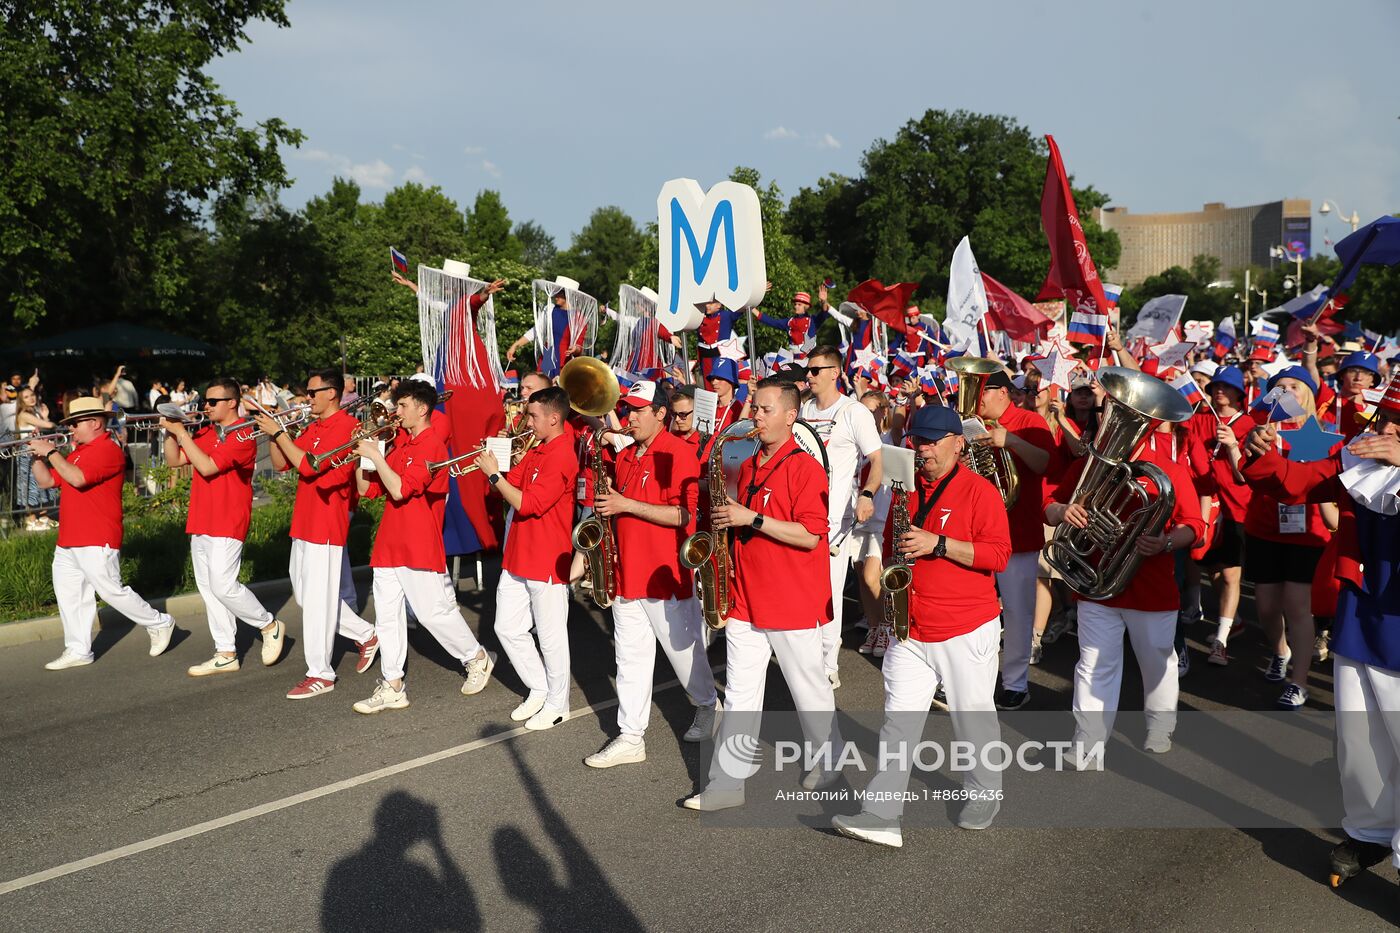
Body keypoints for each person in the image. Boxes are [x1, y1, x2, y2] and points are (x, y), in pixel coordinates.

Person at [1238, 379, 1400, 890]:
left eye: (1399, 421)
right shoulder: (1357, 455)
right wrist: (1260, 454)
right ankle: (1371, 831)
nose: (1386, 429)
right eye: (1385, 418)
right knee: (1361, 736)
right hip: (1361, 611)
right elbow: (1296, 481)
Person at [831, 405, 1012, 847]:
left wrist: (940, 544)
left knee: (973, 719)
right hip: (911, 625)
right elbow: (893, 551)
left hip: (966, 624)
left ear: (958, 443)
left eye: (933, 440)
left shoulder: (980, 490)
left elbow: (999, 555)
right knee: (898, 721)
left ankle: (985, 791)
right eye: (918, 440)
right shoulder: (906, 490)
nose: (924, 448)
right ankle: (882, 811)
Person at [683, 379, 837, 811]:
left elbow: (810, 536)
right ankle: (727, 783)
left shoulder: (805, 468)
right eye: (755, 408)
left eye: (766, 410)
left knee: (809, 691)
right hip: (745, 596)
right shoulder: (748, 464)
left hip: (790, 599)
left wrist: (751, 518)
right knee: (740, 693)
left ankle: (828, 760)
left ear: (791, 416)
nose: (756, 417)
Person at [1045, 390, 1205, 763]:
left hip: (1150, 588)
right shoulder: (1088, 465)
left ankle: (1160, 726)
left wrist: (1166, 542)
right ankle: (1087, 741)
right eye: (1105, 412)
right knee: (1092, 664)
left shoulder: (1169, 469)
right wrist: (1063, 511)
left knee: (1157, 663)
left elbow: (1195, 525)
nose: (1107, 420)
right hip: (1097, 584)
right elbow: (1048, 502)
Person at [585, 381, 719, 767]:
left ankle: (709, 706)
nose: (630, 417)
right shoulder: (627, 455)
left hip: (664, 576)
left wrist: (626, 503)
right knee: (629, 659)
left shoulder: (678, 453)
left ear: (661, 414)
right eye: (629, 410)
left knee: (683, 654)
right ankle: (630, 736)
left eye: (639, 410)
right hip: (627, 573)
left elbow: (686, 515)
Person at [350, 380, 496, 714]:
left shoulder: (432, 445)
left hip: (418, 541)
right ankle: (393, 684)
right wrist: (366, 455)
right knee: (387, 617)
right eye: (395, 406)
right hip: (389, 541)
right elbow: (365, 489)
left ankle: (476, 657)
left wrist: (376, 454)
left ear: (422, 408)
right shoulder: (399, 443)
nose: (395, 412)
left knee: (433, 614)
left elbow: (401, 490)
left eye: (402, 406)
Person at [255, 368, 380, 699]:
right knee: (307, 598)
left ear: (331, 394)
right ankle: (367, 634)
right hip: (304, 522)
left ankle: (321, 673)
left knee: (318, 602)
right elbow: (284, 463)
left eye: (312, 393)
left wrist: (281, 433)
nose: (307, 398)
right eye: (306, 393)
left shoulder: (348, 429)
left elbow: (311, 465)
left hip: (326, 523)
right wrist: (274, 435)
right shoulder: (315, 426)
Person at [30, 398, 176, 670]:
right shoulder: (78, 451)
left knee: (111, 591)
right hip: (69, 538)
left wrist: (51, 452)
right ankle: (78, 650)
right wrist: (36, 457)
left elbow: (77, 478)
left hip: (98, 535)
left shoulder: (108, 449)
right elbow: (48, 481)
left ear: (95, 422)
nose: (71, 429)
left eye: (75, 423)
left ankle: (159, 622)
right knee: (70, 595)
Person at [162, 377, 287, 676]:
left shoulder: (243, 434)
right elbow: (174, 461)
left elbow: (206, 466)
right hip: (201, 520)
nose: (206, 406)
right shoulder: (207, 431)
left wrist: (182, 432)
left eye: (212, 401)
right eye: (205, 401)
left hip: (227, 520)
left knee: (223, 585)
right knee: (209, 590)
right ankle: (226, 652)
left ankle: (268, 624)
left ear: (232, 402)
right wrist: (170, 432)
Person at [475, 386, 580, 730]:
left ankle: (558, 702)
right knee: (506, 627)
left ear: (554, 418)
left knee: (551, 638)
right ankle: (540, 688)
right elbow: (505, 487)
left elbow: (529, 504)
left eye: (533, 416)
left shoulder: (563, 454)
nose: (527, 421)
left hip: (547, 558)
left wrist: (494, 473)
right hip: (519, 555)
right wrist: (498, 457)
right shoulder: (537, 450)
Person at [1242, 367, 1334, 708]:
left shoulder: (1320, 434)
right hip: (1264, 530)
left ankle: (1299, 681)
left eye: (1294, 386)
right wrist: (1254, 446)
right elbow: (1245, 476)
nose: (1285, 391)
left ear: (1307, 394)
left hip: (1308, 534)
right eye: (1278, 387)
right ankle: (1281, 651)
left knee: (1298, 607)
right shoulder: (1260, 431)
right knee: (1266, 607)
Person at [970, 366, 1055, 711]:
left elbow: (1045, 464)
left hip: (1017, 531)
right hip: (977, 531)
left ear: (1003, 393)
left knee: (1018, 613)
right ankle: (972, 680)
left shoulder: (1031, 422)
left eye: (982, 393)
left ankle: (1016, 683)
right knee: (974, 611)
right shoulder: (974, 425)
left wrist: (1012, 441)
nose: (976, 401)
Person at [799, 345, 883, 687]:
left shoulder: (853, 412)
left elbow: (876, 459)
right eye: (808, 370)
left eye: (815, 370)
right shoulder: (802, 408)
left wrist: (866, 495)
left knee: (828, 592)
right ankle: (807, 660)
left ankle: (828, 665)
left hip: (835, 521)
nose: (808, 375)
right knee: (804, 592)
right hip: (799, 518)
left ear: (835, 372)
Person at [1197, 366, 1253, 666]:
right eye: (1216, 386)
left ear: (1239, 393)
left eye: (1226, 387)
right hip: (1205, 506)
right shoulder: (1203, 418)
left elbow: (1245, 476)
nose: (1219, 391)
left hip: (1237, 508)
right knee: (1215, 571)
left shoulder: (1249, 424)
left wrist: (1232, 445)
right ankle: (1236, 621)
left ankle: (1220, 639)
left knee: (1231, 574)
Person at [753, 287, 831, 357]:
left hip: (809, 358)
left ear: (806, 307)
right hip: (793, 358)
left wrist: (824, 301)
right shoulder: (789, 321)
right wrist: (751, 307)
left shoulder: (813, 321)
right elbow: (771, 321)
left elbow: (824, 313)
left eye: (799, 304)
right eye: (795, 304)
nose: (796, 306)